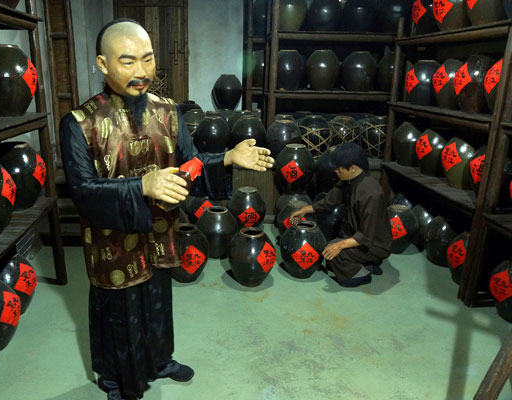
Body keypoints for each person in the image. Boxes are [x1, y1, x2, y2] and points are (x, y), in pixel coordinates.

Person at [59, 18, 274, 400]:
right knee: (120, 314)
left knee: (157, 302)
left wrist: (226, 158)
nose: (141, 71)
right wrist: (142, 186)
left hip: (159, 232)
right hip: (113, 243)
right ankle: (117, 381)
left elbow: (190, 165)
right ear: (103, 64)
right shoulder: (80, 123)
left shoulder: (168, 112)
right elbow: (83, 191)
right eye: (127, 61)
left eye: (147, 59)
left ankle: (160, 360)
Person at [289, 143, 392, 288]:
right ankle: (368, 264)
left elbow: (366, 236)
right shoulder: (349, 180)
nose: (335, 170)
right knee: (330, 253)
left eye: (339, 167)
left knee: (334, 253)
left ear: (353, 168)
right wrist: (304, 210)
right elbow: (329, 202)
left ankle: (362, 275)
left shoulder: (371, 193)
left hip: (375, 245)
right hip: (358, 237)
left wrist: (339, 245)